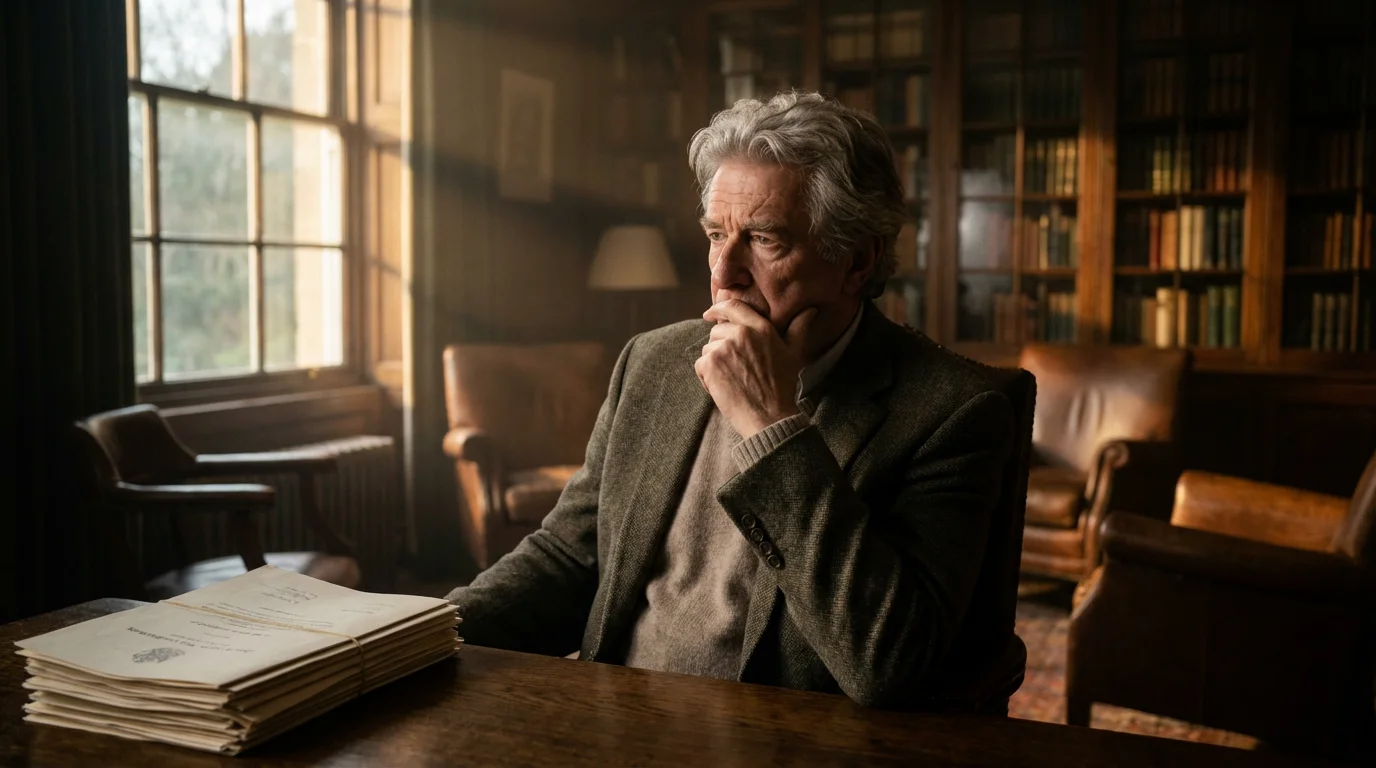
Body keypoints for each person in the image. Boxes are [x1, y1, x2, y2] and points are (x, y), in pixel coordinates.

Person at [447, 90, 1018, 710]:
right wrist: (419, 634)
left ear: (857, 260)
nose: (724, 272)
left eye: (765, 239)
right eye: (716, 234)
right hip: (615, 720)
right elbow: (570, 556)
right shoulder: (653, 363)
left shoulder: (956, 411)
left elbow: (888, 663)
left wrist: (771, 423)